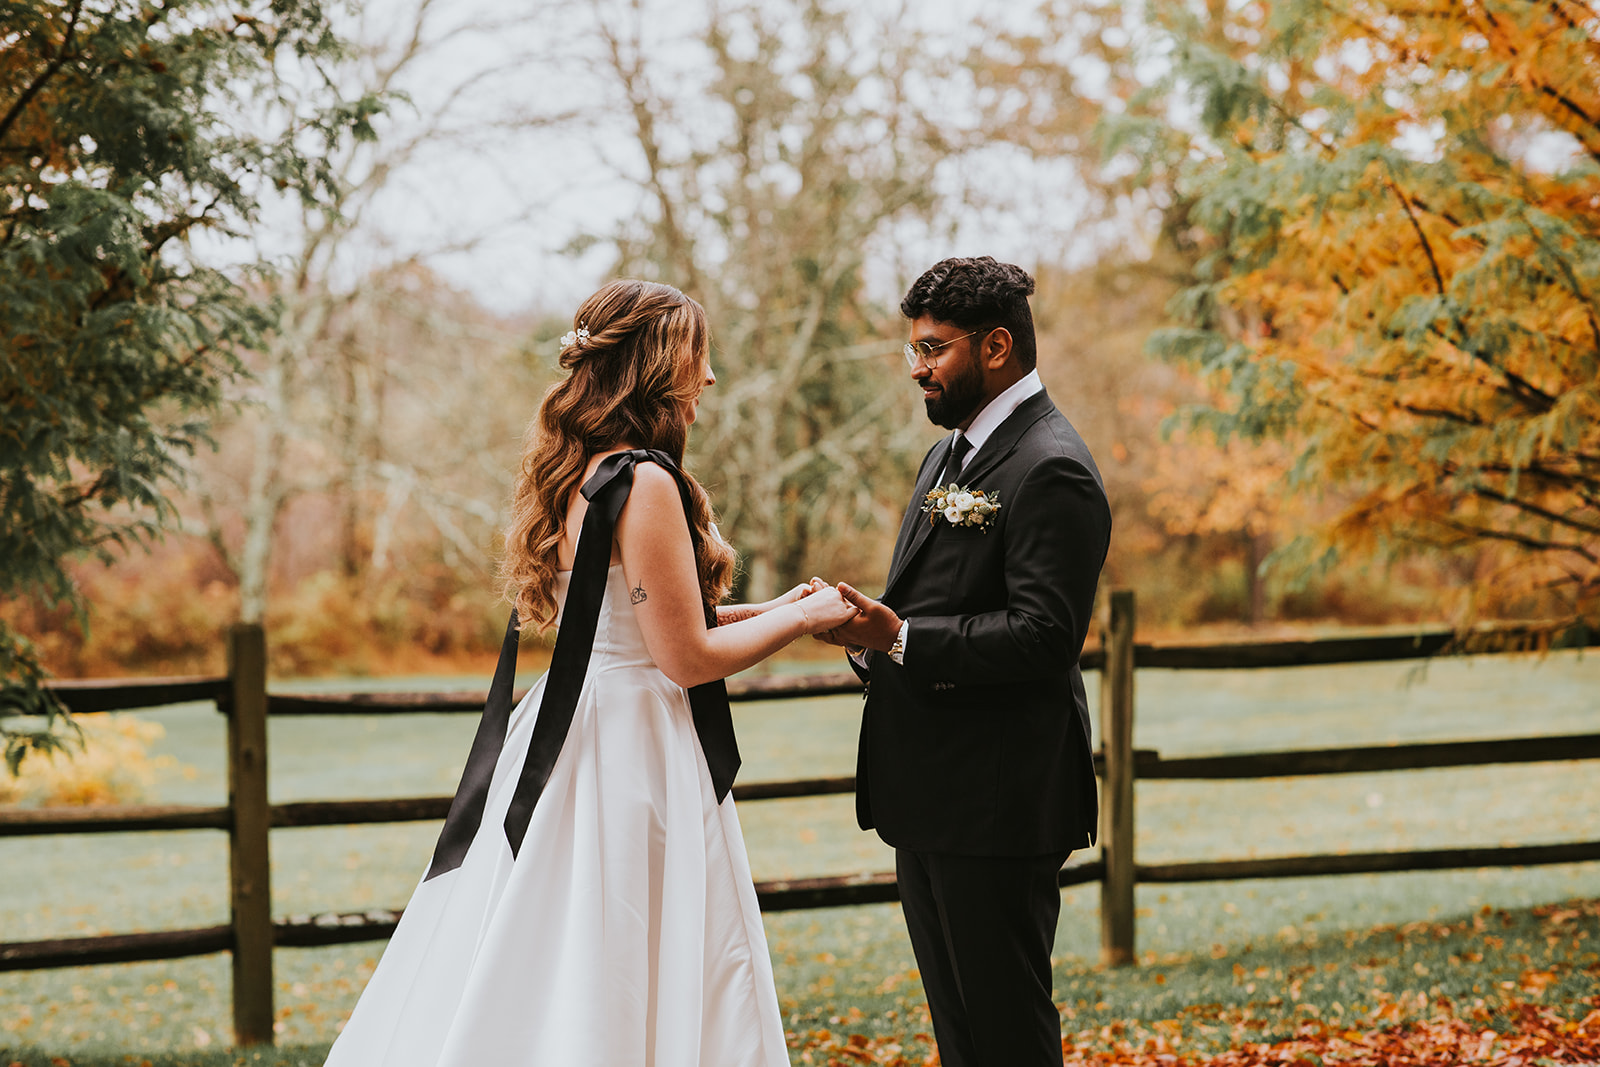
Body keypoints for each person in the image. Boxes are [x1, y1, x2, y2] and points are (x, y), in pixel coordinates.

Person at [324, 279, 859, 1067]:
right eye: (697, 355)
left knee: (569, 935)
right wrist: (809, 619)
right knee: (617, 937)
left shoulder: (590, 469)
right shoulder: (642, 481)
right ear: (658, 364)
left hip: (586, 715)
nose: (708, 378)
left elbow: (656, 626)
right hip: (628, 743)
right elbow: (684, 657)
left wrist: (777, 606)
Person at [820, 257, 1111, 1067]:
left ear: (995, 347)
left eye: (933, 348)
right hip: (931, 798)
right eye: (913, 348)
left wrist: (901, 637)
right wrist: (870, 635)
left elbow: (1044, 636)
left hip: (996, 803)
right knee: (961, 1034)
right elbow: (931, 599)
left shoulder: (1051, 465)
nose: (917, 366)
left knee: (1006, 1031)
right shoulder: (949, 456)